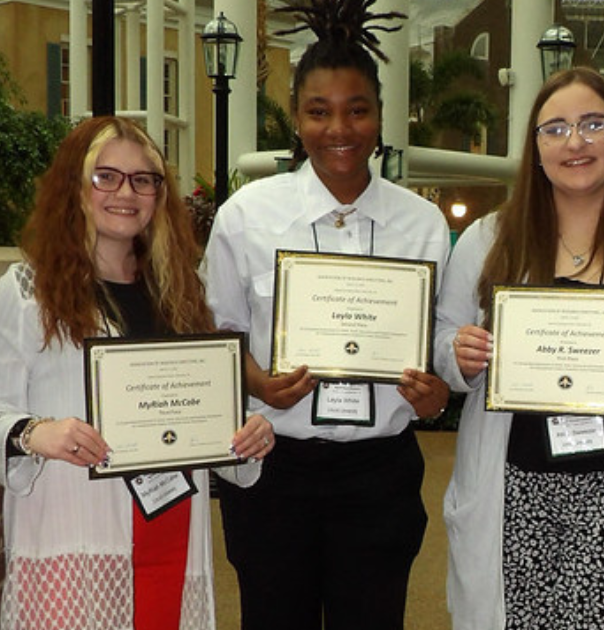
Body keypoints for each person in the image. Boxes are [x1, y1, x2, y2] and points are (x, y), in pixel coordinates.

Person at [0, 116, 274, 630]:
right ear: (74, 187)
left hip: (169, 524)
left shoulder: (184, 295)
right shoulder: (26, 292)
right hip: (74, 524)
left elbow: (208, 409)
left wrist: (248, 432)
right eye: (106, 176)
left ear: (158, 194)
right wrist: (37, 433)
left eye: (143, 179)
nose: (126, 192)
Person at [434, 67, 604, 630]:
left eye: (593, 124)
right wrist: (457, 353)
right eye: (555, 128)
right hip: (514, 487)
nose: (576, 142)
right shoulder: (490, 240)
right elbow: (443, 338)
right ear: (534, 147)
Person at [201, 1, 451, 628]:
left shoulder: (421, 225)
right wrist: (257, 381)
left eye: (357, 109)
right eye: (319, 111)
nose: (339, 128)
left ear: (378, 116)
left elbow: (443, 344)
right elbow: (215, 333)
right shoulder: (247, 216)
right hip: (272, 470)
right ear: (297, 118)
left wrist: (436, 395)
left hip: (378, 475)